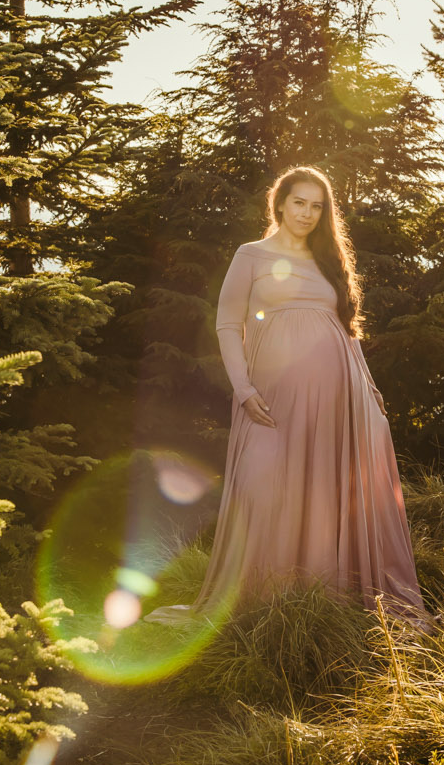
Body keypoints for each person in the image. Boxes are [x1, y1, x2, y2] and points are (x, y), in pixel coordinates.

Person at [168, 165, 430, 629]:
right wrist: (243, 388)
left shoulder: (328, 259)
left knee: (331, 487)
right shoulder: (250, 255)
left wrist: (369, 387)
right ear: (280, 203)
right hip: (270, 394)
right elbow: (228, 325)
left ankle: (327, 603)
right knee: (266, 488)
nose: (307, 214)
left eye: (317, 206)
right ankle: (267, 603)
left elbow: (347, 333)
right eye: (299, 203)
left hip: (340, 395)